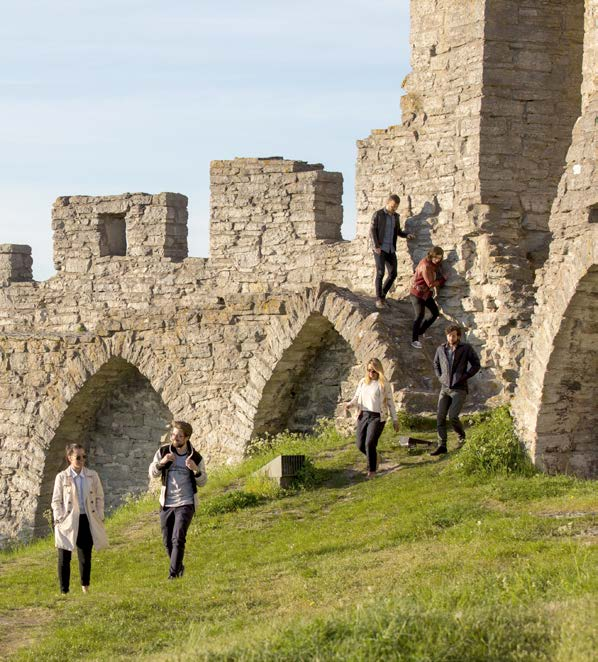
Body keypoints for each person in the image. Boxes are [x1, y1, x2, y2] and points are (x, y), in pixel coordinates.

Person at [149, 420, 207, 580]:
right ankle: (179, 566)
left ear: (186, 438)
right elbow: (152, 473)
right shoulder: (163, 452)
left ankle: (173, 575)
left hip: (186, 503)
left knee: (178, 538)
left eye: (179, 436)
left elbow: (203, 482)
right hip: (166, 503)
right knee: (167, 541)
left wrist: (195, 470)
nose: (175, 438)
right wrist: (162, 463)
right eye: (173, 434)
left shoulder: (195, 457)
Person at [51, 443, 108, 595]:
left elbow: (99, 497)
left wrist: (100, 515)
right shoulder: (61, 477)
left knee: (85, 556)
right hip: (67, 520)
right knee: (64, 557)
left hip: (86, 518)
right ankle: (64, 591)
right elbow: (56, 500)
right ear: (69, 458)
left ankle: (85, 587)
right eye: (78, 457)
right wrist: (59, 518)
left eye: (84, 456)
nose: (81, 460)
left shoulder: (92, 475)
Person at [344, 358, 399, 478]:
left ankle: (372, 470)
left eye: (373, 371)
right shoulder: (363, 382)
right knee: (360, 444)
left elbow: (390, 403)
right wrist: (350, 404)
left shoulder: (384, 384)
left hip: (377, 417)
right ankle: (376, 457)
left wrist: (395, 420)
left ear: (379, 371)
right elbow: (357, 397)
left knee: (370, 443)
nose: (371, 373)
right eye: (369, 370)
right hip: (363, 415)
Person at [431, 325, 481, 456]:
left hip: (459, 388)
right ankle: (442, 445)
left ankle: (461, 437)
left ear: (458, 336)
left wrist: (464, 376)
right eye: (449, 335)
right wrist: (440, 376)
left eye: (453, 335)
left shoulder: (466, 348)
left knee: (452, 416)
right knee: (440, 416)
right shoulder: (441, 349)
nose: (451, 337)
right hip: (445, 388)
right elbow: (435, 363)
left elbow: (476, 364)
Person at [370, 194, 415, 309]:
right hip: (379, 248)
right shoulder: (378, 214)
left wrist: (406, 235)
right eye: (392, 206)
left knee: (393, 273)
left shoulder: (396, 217)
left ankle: (383, 294)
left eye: (396, 207)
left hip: (390, 249)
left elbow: (398, 231)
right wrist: (376, 245)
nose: (394, 208)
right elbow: (372, 230)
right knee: (380, 272)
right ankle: (379, 299)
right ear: (388, 202)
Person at [410, 246, 447, 349]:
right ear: (431, 256)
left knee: (435, 313)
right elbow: (430, 284)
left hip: (426, 294)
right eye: (436, 258)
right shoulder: (425, 266)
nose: (438, 260)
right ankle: (414, 340)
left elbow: (437, 266)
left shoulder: (432, 263)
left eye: (440, 258)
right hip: (417, 294)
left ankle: (421, 331)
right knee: (419, 316)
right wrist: (442, 280)